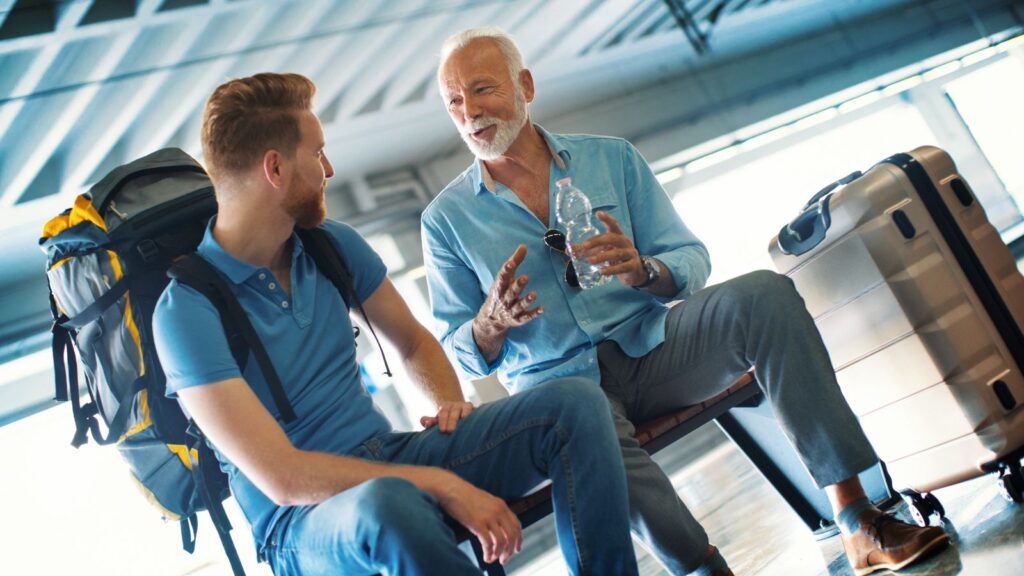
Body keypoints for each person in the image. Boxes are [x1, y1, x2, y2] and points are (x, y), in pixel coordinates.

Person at [420, 27, 953, 576]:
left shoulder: (611, 159)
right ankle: (704, 570)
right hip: (561, 390)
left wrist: (644, 268)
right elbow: (456, 351)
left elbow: (690, 259)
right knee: (585, 421)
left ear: (524, 85)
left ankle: (858, 519)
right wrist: (490, 322)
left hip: (652, 349)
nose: (469, 112)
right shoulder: (443, 221)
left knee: (763, 295)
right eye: (453, 101)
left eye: (482, 90)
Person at [152, 72, 640, 576]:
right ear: (274, 168)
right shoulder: (186, 311)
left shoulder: (330, 245)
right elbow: (283, 477)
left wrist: (449, 402)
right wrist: (443, 486)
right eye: (317, 154)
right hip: (301, 523)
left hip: (389, 459)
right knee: (387, 504)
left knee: (574, 405)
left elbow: (410, 342)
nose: (330, 169)